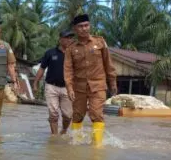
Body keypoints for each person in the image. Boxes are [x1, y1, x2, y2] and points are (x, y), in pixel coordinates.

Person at [64, 14, 117, 147]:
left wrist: (113, 83)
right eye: (80, 26)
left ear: (90, 26)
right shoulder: (71, 48)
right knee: (77, 114)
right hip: (78, 87)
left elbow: (108, 64)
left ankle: (97, 145)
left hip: (98, 85)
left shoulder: (99, 42)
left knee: (96, 113)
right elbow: (68, 70)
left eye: (86, 25)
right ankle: (77, 142)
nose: (84, 28)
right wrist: (69, 88)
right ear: (75, 29)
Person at [33, 30, 75, 135]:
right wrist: (35, 83)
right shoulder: (50, 53)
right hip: (51, 87)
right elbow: (42, 69)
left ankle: (64, 130)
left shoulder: (74, 53)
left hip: (68, 88)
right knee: (53, 113)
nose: (69, 40)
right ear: (60, 39)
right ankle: (55, 136)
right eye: (67, 38)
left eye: (71, 38)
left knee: (68, 115)